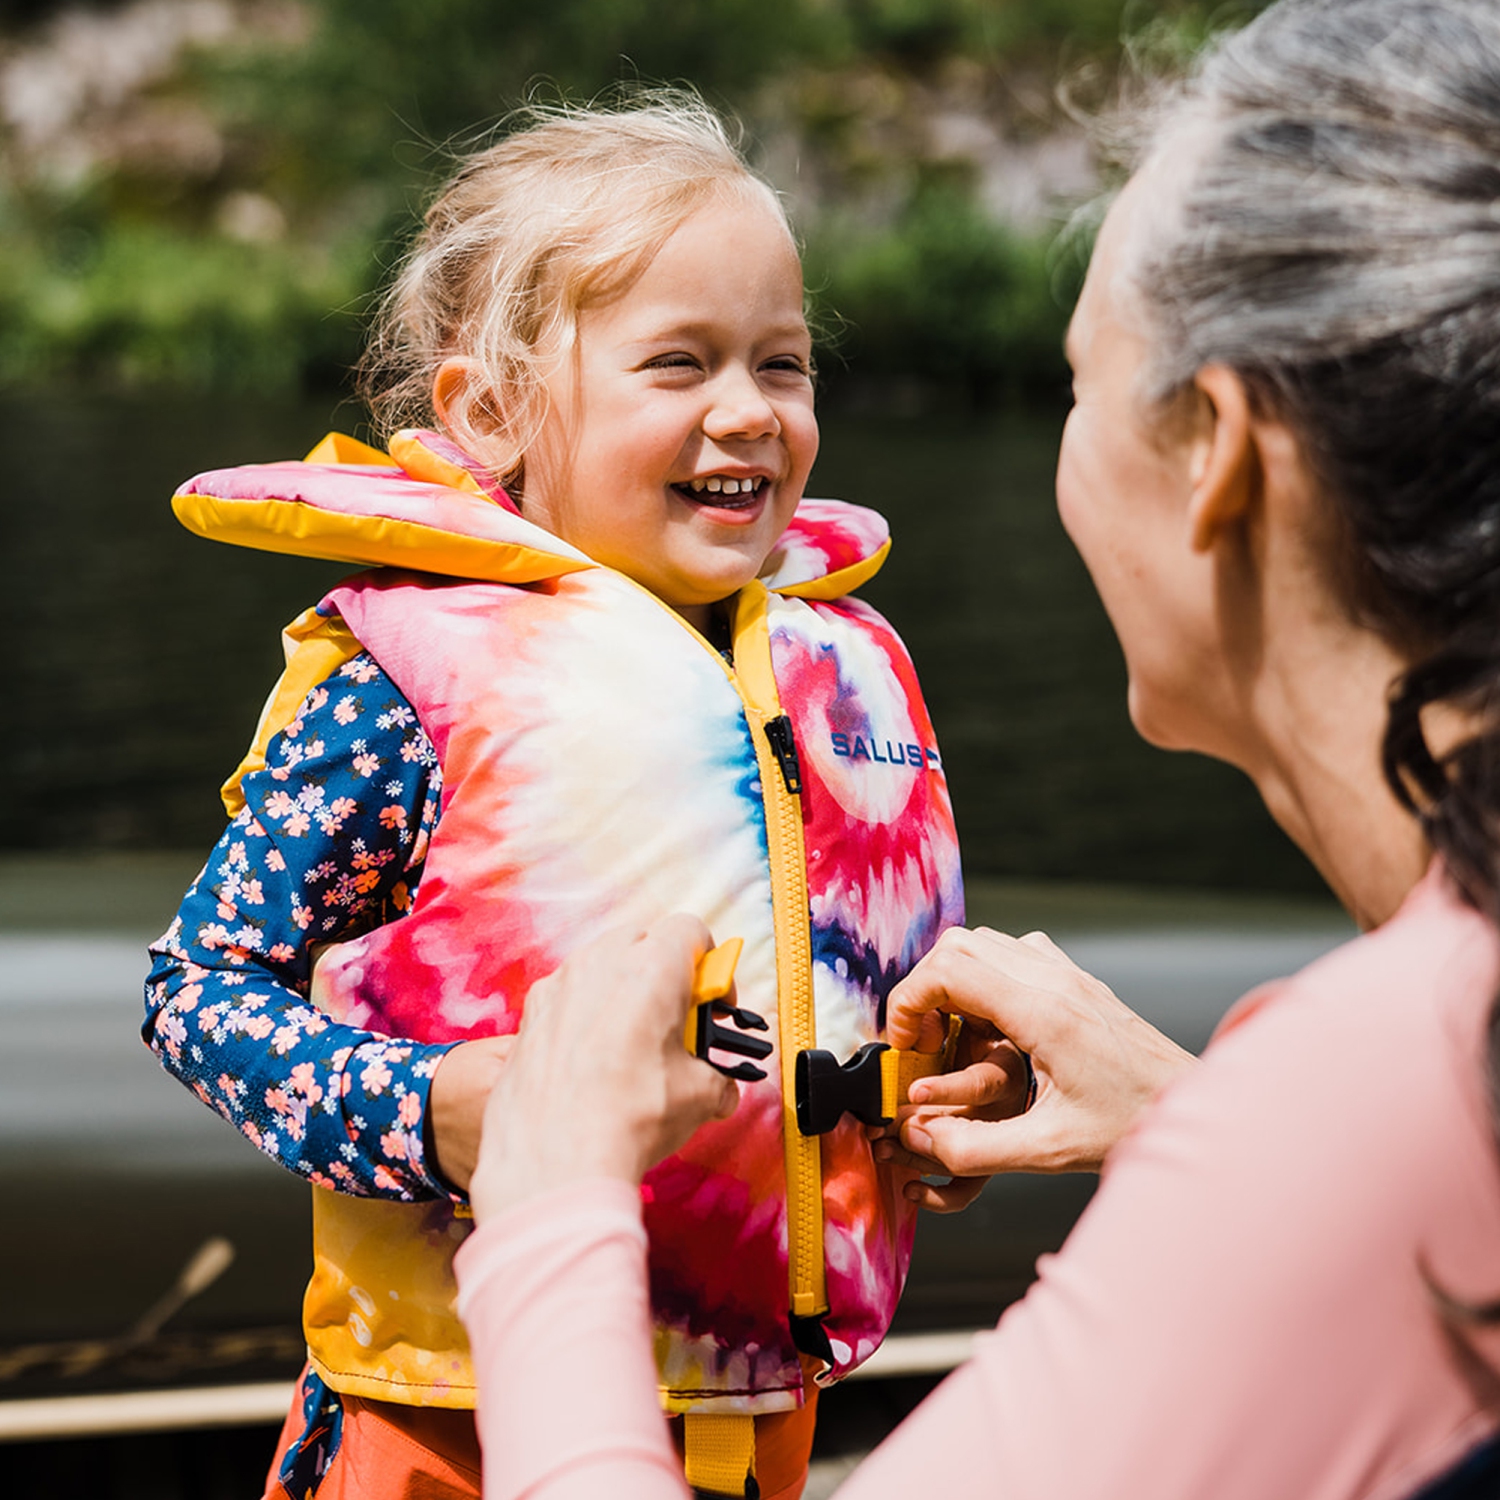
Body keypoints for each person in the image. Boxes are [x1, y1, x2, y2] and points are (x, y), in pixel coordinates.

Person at [451, 2, 1500, 1495]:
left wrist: (550, 1202)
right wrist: (1178, 1117)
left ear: (1221, 458)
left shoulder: (1376, 1086)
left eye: (1077, 383)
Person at [142, 97, 965, 1500]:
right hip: (450, 1426)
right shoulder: (401, 696)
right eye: (678, 363)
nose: (749, 412)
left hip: (762, 1413)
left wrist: (926, 1099)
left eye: (783, 361)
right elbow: (198, 991)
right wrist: (432, 1109)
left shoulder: (842, 665)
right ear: (492, 412)